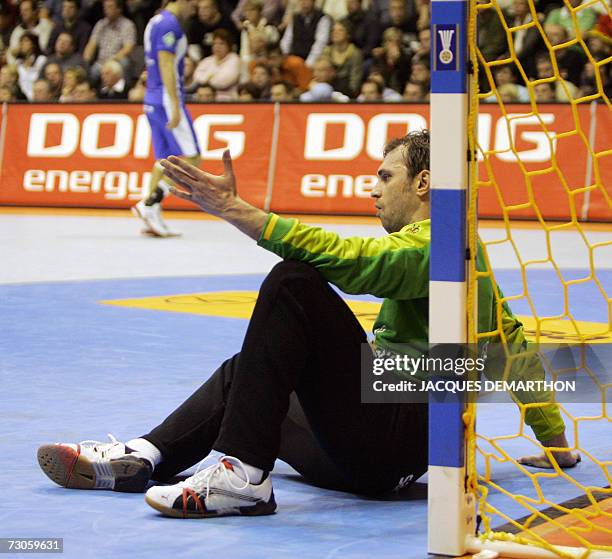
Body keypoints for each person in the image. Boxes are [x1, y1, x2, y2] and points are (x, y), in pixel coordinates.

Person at [38, 130, 578, 519]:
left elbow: (357, 263)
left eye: (384, 177)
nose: (373, 190)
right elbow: (517, 349)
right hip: (375, 458)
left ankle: (243, 477)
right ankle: (143, 458)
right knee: (245, 373)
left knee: (294, 282)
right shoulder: (470, 258)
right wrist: (557, 446)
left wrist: (237, 211)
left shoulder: (441, 246)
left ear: (424, 183)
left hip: (394, 440)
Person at [132, 0, 201, 238]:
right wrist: (174, 103)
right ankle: (150, 202)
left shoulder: (155, 20)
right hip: (166, 98)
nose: (195, 6)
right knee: (193, 157)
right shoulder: (170, 24)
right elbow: (165, 63)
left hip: (153, 97)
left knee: (164, 159)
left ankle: (151, 213)